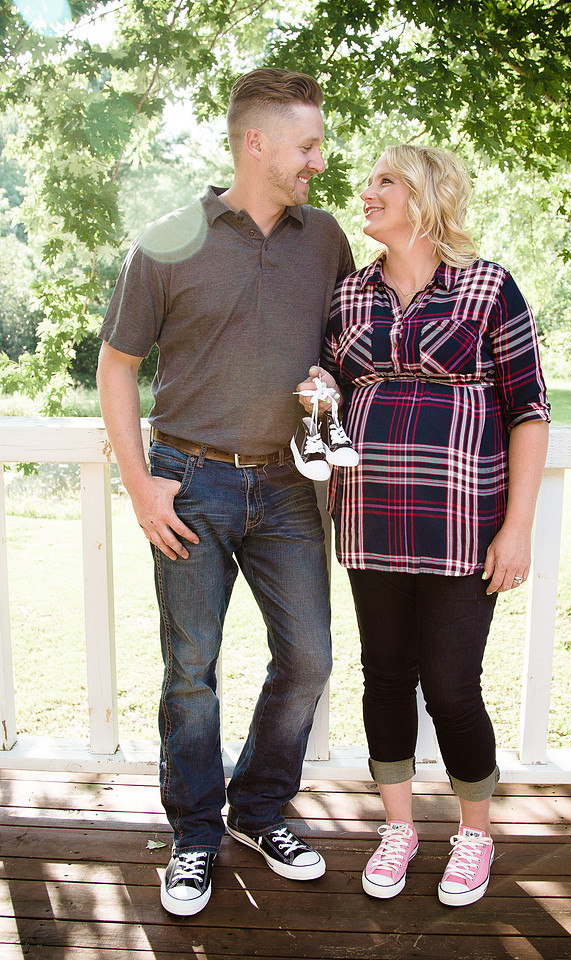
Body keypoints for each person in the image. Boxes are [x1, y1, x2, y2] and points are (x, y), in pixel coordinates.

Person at [96, 67, 354, 917]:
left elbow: (344, 350)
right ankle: (195, 836)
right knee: (191, 672)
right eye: (307, 145)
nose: (319, 160)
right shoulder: (167, 239)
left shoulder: (326, 239)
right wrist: (141, 485)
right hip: (189, 483)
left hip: (287, 487)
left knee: (309, 658)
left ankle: (258, 809)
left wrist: (332, 383)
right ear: (256, 142)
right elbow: (117, 366)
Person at [297, 144, 550, 906]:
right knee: (384, 677)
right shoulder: (349, 295)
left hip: (463, 528)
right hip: (369, 523)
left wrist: (517, 527)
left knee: (452, 685)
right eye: (369, 181)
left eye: (385, 181)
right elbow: (334, 391)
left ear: (426, 196)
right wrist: (321, 387)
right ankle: (399, 828)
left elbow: (529, 411)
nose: (366, 192)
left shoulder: (489, 287)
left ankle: (474, 834)